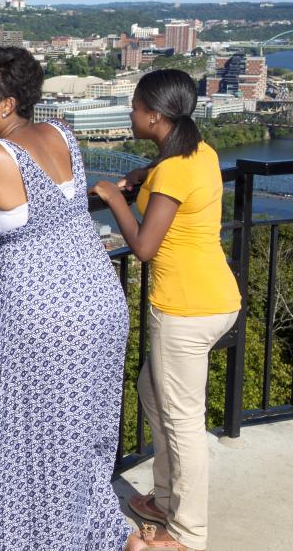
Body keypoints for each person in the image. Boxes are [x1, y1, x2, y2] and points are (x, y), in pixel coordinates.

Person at [0, 46, 130, 550]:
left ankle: (36, 537)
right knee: (81, 433)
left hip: (46, 313)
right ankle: (80, 529)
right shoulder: (62, 133)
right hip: (99, 299)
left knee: (30, 436)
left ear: (6, 106)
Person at [91, 69, 241, 551]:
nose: (131, 114)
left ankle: (187, 533)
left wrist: (116, 197)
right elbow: (168, 183)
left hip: (184, 309)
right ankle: (165, 497)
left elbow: (144, 246)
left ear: (155, 116)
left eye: (134, 108)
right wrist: (142, 176)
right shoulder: (198, 153)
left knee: (183, 423)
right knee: (151, 390)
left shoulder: (173, 170)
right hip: (217, 299)